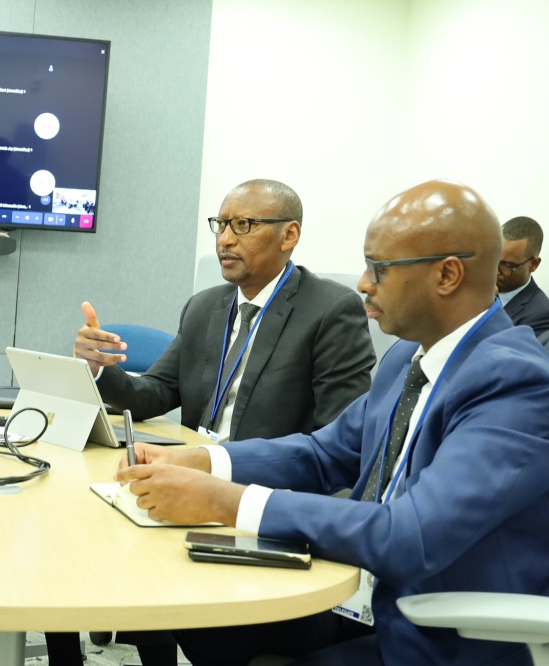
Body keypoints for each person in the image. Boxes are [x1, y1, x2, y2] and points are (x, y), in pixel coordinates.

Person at [117, 180, 549, 666]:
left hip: (431, 636)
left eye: (379, 269)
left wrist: (227, 501)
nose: (363, 283)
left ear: (447, 275)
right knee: (199, 621)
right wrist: (205, 460)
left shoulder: (514, 381)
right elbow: (325, 454)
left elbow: (410, 536)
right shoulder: (409, 355)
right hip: (358, 598)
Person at [62, 180, 376, 666]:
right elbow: (156, 393)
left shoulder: (330, 309)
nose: (225, 239)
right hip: (190, 481)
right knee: (85, 540)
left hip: (254, 497)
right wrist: (99, 368)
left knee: (144, 573)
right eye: (221, 224)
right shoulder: (206, 306)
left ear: (289, 235)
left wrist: (220, 479)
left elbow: (338, 440)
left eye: (243, 225)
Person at [497, 215, 549, 336]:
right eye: (493, 259)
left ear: (534, 264)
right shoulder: (478, 288)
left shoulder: (542, 315)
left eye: (508, 265)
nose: (496, 271)